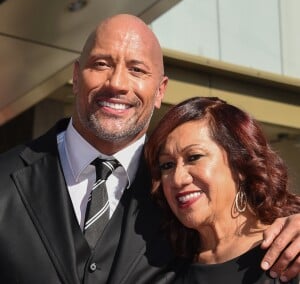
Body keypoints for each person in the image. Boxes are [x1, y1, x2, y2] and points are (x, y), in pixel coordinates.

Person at [0, 14, 299, 284]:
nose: (117, 83)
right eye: (101, 63)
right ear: (76, 76)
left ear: (160, 91)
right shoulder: (5, 178)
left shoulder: (180, 197)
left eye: (137, 69)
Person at [144, 96, 300, 283]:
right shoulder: (160, 268)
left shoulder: (290, 255)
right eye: (167, 165)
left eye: (194, 157)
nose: (178, 179)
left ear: (240, 164)